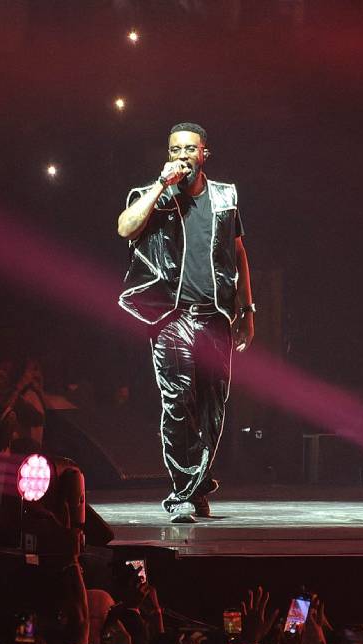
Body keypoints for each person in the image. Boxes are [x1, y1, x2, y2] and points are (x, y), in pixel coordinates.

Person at [116, 122, 256, 523]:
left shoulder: (225, 197)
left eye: (189, 150)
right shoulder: (152, 196)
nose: (182, 156)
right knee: (177, 402)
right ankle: (182, 492)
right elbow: (124, 227)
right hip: (171, 316)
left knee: (212, 406)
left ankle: (196, 484)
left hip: (216, 316)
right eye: (175, 149)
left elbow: (239, 253)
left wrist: (247, 310)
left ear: (204, 154)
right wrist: (160, 187)